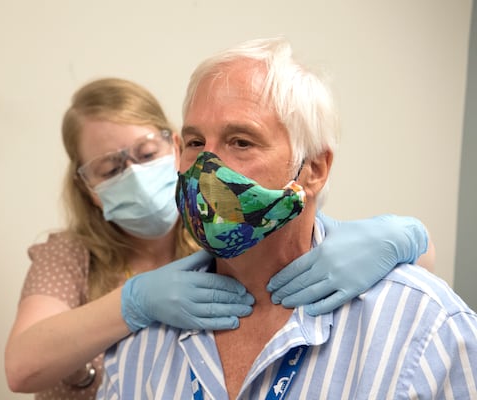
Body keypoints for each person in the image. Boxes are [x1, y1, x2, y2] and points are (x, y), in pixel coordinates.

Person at [5, 78, 434, 400]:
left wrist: (409, 237)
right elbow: (23, 368)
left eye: (145, 153)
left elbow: (391, 282)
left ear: (174, 149)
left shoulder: (228, 230)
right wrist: (132, 302)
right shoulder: (68, 254)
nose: (133, 174)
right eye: (109, 168)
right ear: (88, 190)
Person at [96, 38, 477, 399]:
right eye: (196, 143)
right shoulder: (141, 342)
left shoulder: (423, 329)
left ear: (313, 168)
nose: (205, 170)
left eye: (241, 142)